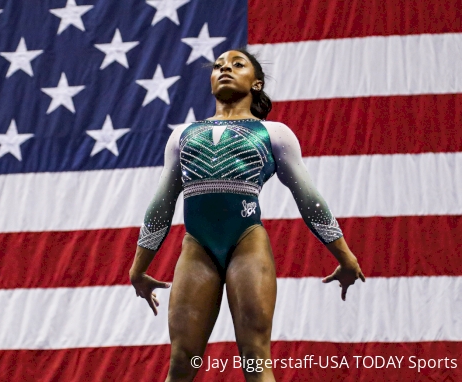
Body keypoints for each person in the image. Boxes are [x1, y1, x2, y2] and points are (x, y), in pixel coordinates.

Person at [128, 49, 366, 382]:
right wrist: (138, 269)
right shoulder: (182, 135)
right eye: (218, 66)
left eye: (237, 64)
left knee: (255, 357)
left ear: (256, 83)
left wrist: (345, 256)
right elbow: (161, 205)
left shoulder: (274, 133)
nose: (225, 68)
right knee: (182, 363)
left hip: (246, 244)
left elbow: (309, 198)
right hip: (197, 248)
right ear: (210, 81)